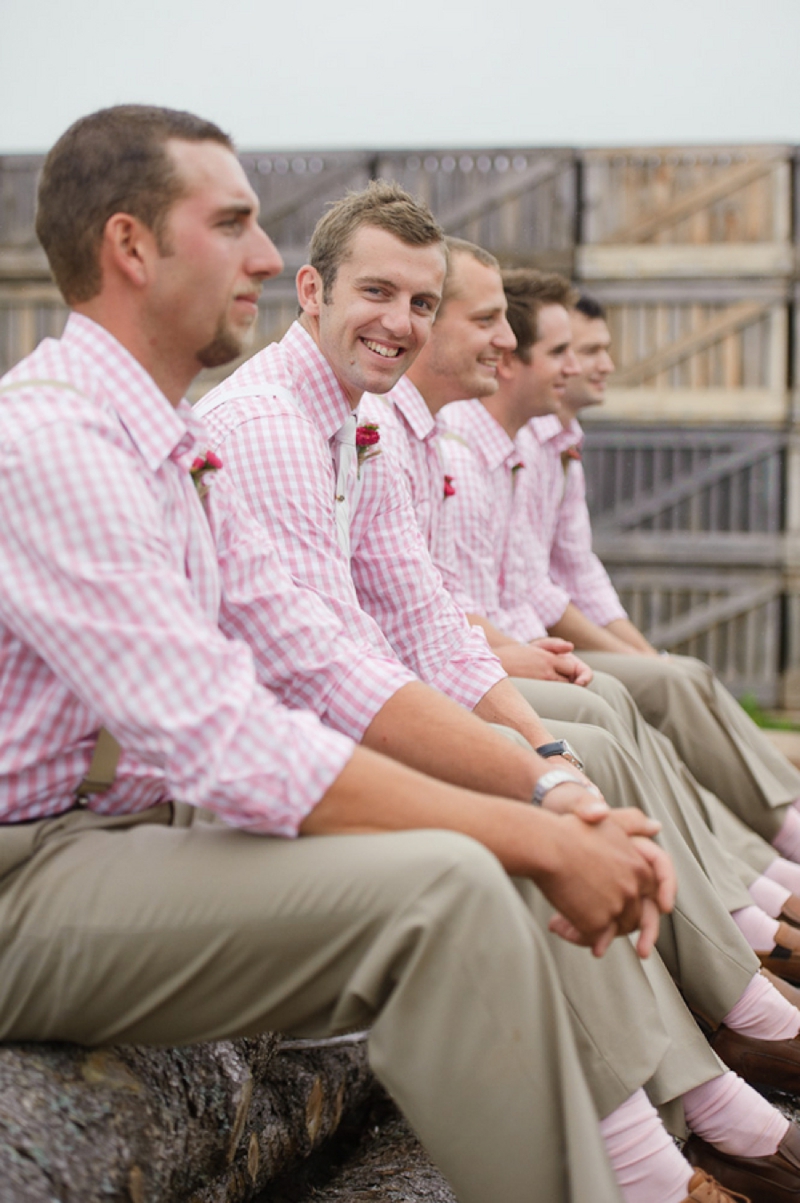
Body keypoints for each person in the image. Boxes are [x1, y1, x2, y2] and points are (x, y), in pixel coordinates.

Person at [0, 103, 685, 1203]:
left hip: (125, 839)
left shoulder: (166, 441)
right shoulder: (56, 442)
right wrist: (532, 829)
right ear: (131, 246)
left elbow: (324, 661)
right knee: (448, 890)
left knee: (472, 863)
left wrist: (545, 792)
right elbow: (224, 732)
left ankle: (652, 1165)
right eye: (232, 224)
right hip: (28, 881)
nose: (269, 260)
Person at [197, 183, 800, 1201]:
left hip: (326, 727)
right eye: (376, 293)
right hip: (274, 760)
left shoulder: (354, 419)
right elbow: (330, 667)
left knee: (567, 761)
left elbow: (421, 613)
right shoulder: (266, 423)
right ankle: (696, 1133)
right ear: (309, 291)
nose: (402, 323)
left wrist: (539, 756)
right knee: (514, 827)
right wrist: (526, 777)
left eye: (422, 303)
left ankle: (716, 1099)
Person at [510, 290, 800, 865]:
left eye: (594, 349)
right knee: (659, 691)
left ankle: (777, 852)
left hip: (530, 639)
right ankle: (773, 866)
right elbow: (536, 589)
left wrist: (642, 651)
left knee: (679, 674)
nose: (599, 365)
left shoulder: (560, 444)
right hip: (522, 643)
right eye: (580, 349)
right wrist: (639, 660)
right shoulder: (516, 442)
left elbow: (580, 571)